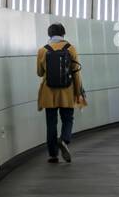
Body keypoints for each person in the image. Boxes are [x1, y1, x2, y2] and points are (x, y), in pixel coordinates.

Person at [37, 23, 87, 164]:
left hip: (48, 93)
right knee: (68, 119)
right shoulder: (70, 49)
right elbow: (76, 73)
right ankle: (64, 140)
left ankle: (53, 155)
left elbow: (39, 73)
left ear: (49, 34)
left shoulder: (42, 50)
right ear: (63, 34)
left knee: (51, 123)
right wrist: (79, 93)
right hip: (67, 91)